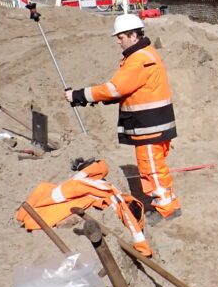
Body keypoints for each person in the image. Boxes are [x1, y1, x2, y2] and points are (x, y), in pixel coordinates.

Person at [65, 13, 181, 223]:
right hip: (156, 123)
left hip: (149, 125)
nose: (118, 41)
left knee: (151, 169)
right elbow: (129, 89)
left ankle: (166, 210)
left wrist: (79, 95)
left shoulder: (138, 60)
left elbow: (115, 89)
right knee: (157, 167)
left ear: (133, 36)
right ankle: (170, 204)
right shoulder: (146, 54)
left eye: (121, 37)